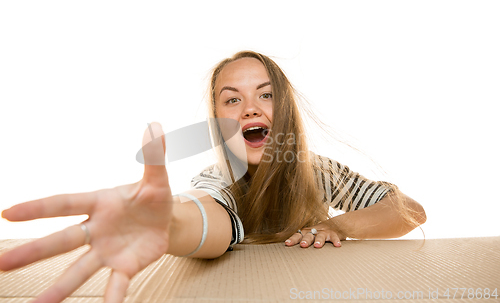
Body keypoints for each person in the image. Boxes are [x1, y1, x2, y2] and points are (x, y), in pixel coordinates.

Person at [0, 50, 426, 303]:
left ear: (287, 112)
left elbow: (408, 211)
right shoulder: (217, 179)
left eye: (265, 94)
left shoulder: (318, 171)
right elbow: (203, 217)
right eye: (232, 100)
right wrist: (165, 221)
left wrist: (336, 224)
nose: (250, 109)